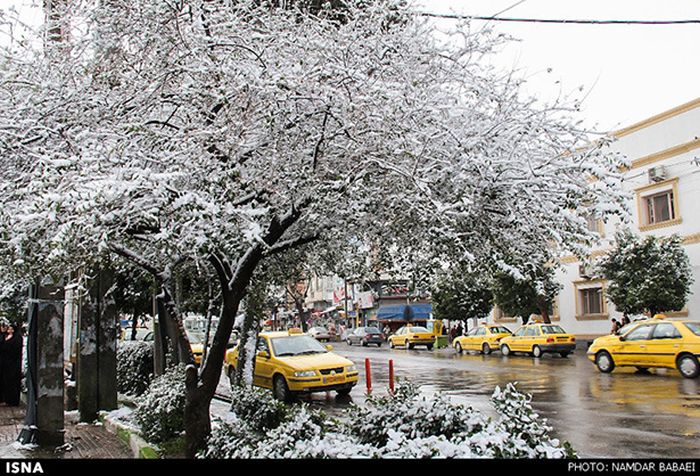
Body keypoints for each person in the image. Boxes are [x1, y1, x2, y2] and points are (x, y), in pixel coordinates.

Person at [1, 324, 23, 406]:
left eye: (11, 329)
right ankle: (7, 399)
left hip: (13, 364)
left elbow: (14, 349)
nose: (9, 330)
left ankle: (13, 400)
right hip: (6, 363)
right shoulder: (6, 337)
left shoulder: (17, 338)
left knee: (13, 382)